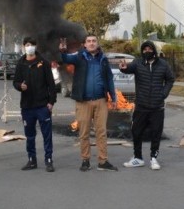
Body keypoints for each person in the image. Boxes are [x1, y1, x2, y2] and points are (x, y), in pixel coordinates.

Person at [60, 34, 119, 172]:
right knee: (84, 133)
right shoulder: (79, 57)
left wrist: (114, 97)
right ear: (84, 45)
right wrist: (62, 51)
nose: (91, 43)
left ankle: (103, 161)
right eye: (89, 41)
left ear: (97, 44)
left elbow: (109, 79)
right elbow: (64, 59)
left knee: (101, 132)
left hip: (101, 101)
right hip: (83, 102)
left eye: (94, 41)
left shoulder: (103, 60)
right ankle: (85, 160)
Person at [119, 40, 175, 170]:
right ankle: (137, 158)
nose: (147, 52)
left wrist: (164, 93)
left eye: (149, 49)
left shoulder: (163, 64)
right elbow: (128, 69)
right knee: (136, 131)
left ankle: (154, 158)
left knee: (156, 133)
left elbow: (170, 79)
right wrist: (123, 68)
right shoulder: (138, 63)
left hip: (157, 106)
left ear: (154, 51)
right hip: (141, 106)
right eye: (144, 50)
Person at [13, 37, 58, 172]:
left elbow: (51, 84)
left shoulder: (43, 62)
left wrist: (51, 102)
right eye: (27, 45)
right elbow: (15, 82)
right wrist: (20, 86)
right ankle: (32, 160)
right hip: (27, 106)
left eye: (32, 45)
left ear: (35, 47)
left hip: (42, 106)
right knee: (30, 135)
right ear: (23, 47)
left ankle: (48, 160)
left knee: (47, 134)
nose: (30, 47)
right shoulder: (20, 63)